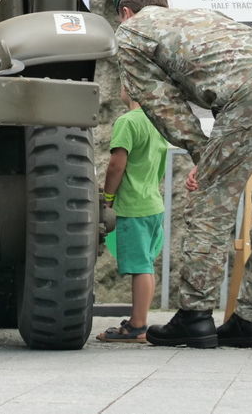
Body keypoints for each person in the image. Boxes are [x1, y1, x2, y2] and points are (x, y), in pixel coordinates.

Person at [111, 0, 252, 349]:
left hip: (250, 93)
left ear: (125, 12)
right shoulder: (199, 16)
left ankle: (195, 317)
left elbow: (161, 104)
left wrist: (200, 156)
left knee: (212, 203)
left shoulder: (131, 32)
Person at [95, 86, 169, 343]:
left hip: (132, 205)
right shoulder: (157, 121)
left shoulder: (127, 122)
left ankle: (137, 326)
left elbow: (117, 164)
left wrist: (108, 197)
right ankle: (139, 321)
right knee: (146, 265)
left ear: (130, 89)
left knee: (140, 266)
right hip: (153, 204)